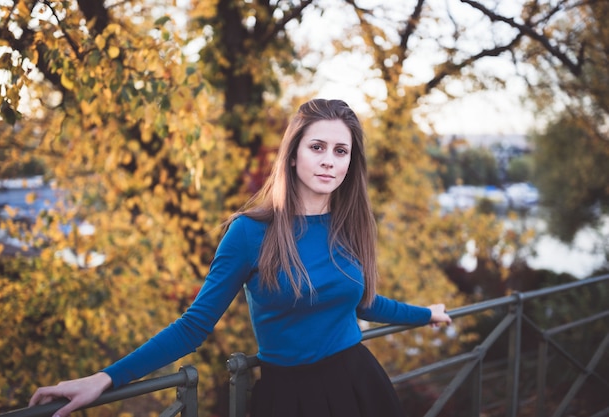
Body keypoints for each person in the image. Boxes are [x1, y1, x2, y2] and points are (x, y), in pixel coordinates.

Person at [29, 98, 451, 417]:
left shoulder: (352, 224)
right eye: (317, 146)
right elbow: (194, 326)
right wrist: (105, 379)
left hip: (360, 383)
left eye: (341, 151)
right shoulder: (250, 232)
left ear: (350, 163)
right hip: (290, 398)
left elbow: (363, 303)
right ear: (293, 153)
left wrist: (425, 314)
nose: (328, 161)